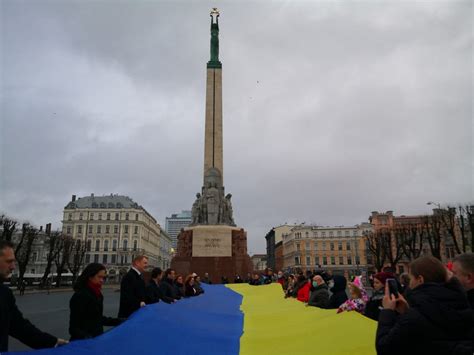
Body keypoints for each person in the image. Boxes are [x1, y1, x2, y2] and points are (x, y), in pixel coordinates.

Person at [376, 256, 474, 355]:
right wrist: (406, 312)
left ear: (420, 280)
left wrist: (387, 311)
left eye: (411, 279)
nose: (409, 284)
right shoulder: (462, 302)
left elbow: (384, 348)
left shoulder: (415, 316)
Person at [0, 240, 67, 352]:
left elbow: (20, 327)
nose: (13, 267)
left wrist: (52, 342)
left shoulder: (5, 294)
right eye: (9, 261)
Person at [69, 263, 122, 340]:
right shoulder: (80, 295)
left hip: (96, 338)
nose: (102, 280)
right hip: (84, 342)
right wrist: (87, 337)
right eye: (99, 277)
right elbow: (73, 328)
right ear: (90, 276)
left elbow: (97, 318)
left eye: (103, 278)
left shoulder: (97, 293)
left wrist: (118, 321)